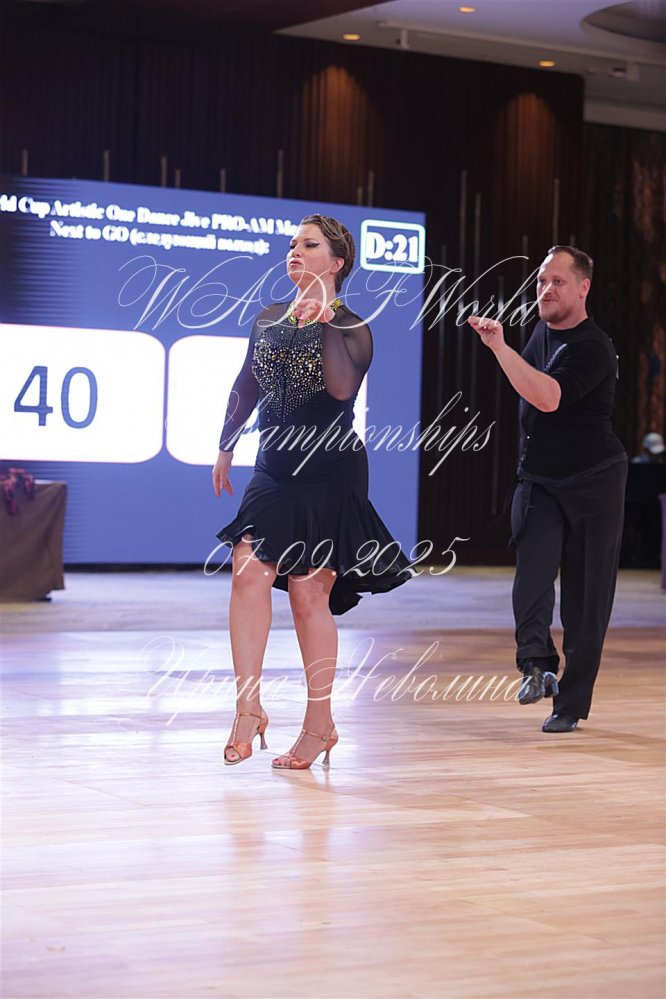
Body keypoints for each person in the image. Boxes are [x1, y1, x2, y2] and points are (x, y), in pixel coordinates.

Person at [212, 214, 410, 768]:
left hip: (330, 472)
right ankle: (248, 709)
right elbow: (246, 384)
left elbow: (341, 389)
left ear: (337, 262)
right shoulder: (268, 317)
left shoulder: (352, 325)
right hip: (273, 468)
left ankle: (319, 724)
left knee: (307, 593)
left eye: (309, 244)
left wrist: (324, 323)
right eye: (292, 244)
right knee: (247, 570)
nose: (294, 251)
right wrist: (226, 444)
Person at [468, 245, 627, 733]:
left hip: (594, 482)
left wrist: (500, 348)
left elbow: (548, 397)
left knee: (585, 599)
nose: (546, 289)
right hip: (540, 477)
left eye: (558, 281)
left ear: (583, 287)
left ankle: (571, 705)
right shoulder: (541, 331)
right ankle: (537, 667)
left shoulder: (594, 346)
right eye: (541, 281)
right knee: (532, 578)